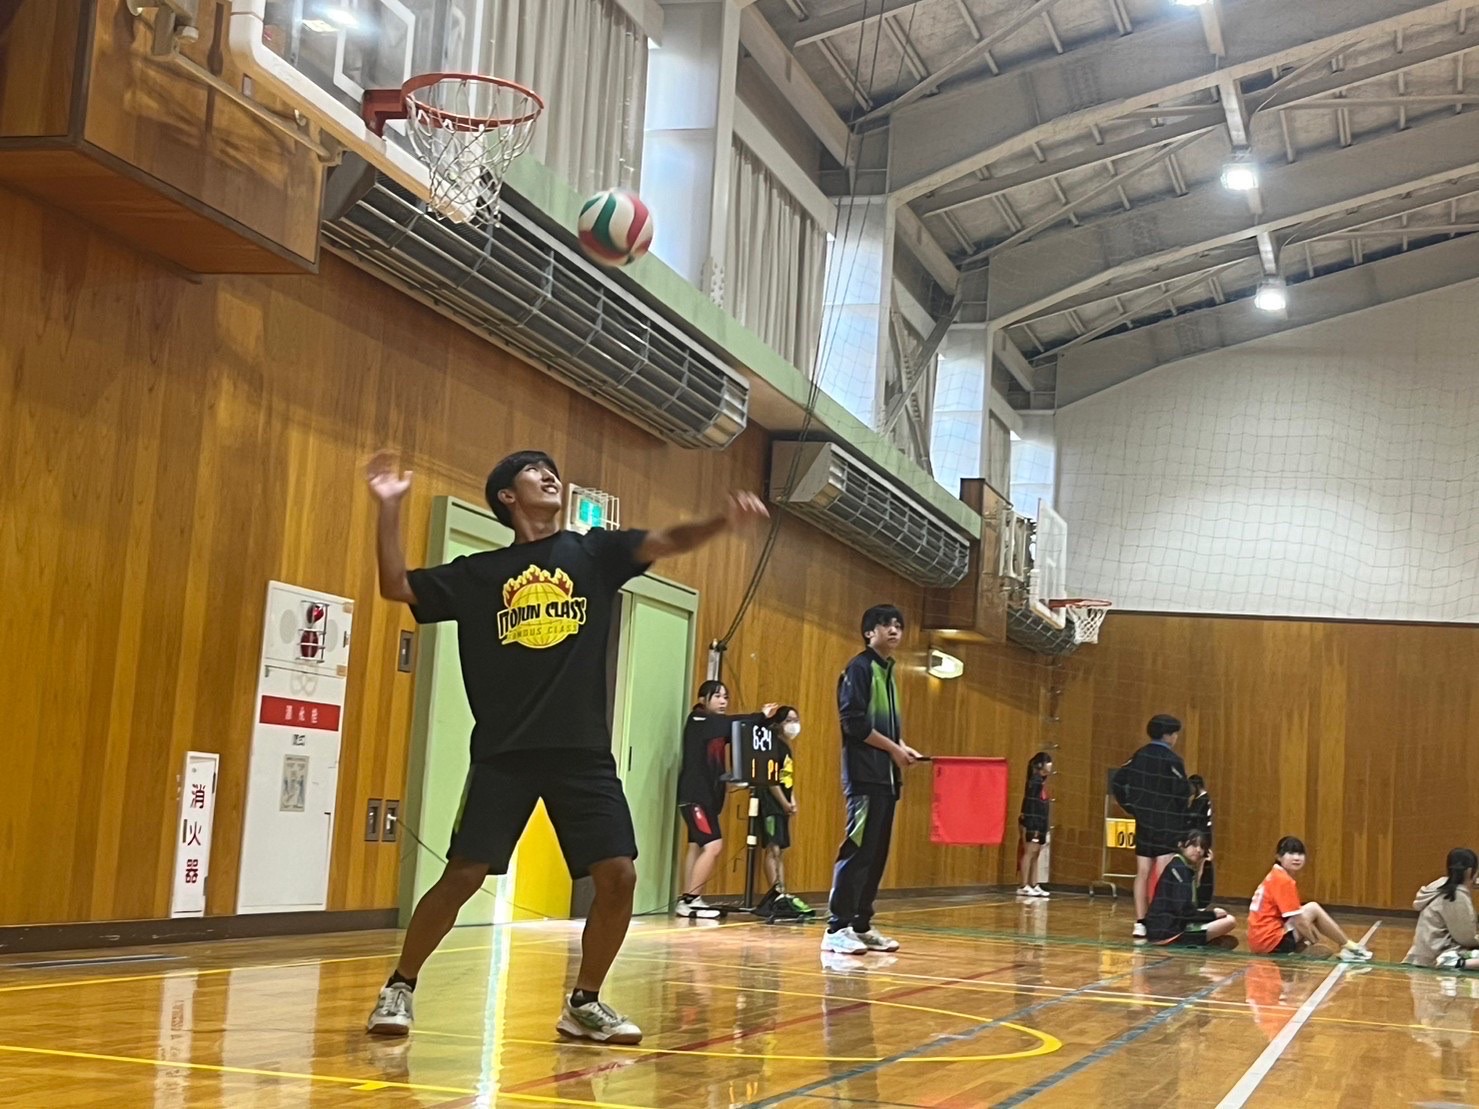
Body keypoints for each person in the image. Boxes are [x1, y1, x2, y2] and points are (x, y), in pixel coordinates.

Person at [363, 448, 768, 1043]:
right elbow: (396, 585)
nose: (550, 475)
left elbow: (666, 540)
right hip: (505, 752)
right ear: (507, 496)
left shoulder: (593, 553)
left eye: (551, 468)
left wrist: (718, 523)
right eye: (533, 470)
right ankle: (399, 985)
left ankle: (584, 1002)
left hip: (582, 753)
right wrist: (389, 508)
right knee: (464, 874)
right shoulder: (480, 574)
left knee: (619, 875)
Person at [823, 604, 923, 955]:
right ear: (869, 632)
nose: (894, 630)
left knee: (876, 855)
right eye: (885, 625)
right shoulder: (860, 668)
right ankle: (837, 928)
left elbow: (884, 726)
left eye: (898, 625)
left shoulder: (888, 671)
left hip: (886, 779)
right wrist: (893, 749)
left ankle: (860, 925)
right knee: (858, 851)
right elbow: (854, 723)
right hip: (864, 777)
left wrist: (901, 746)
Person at [674, 681, 775, 918]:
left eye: (726, 697)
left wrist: (766, 721)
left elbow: (737, 732)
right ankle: (691, 901)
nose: (723, 701)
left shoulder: (717, 728)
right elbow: (733, 723)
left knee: (696, 846)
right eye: (717, 696)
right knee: (713, 846)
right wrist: (760, 715)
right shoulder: (698, 720)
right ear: (703, 699)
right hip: (695, 798)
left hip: (708, 799)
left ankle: (687, 898)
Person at [1111, 714, 1190, 940]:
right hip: (1166, 823)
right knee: (1164, 872)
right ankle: (1161, 920)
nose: (1176, 738)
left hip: (1144, 821)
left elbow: (1118, 781)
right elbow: (1182, 792)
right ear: (1168, 735)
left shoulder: (1139, 755)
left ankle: (1140, 922)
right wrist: (1180, 819)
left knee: (1142, 872)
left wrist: (1131, 807)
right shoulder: (1172, 760)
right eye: (1175, 734)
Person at [1247, 836, 1373, 961]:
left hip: (1259, 942)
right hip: (1271, 943)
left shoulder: (1274, 875)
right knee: (1313, 909)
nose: (1297, 858)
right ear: (1279, 857)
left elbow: (1294, 917)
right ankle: (1351, 948)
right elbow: (1299, 922)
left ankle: (1300, 949)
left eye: (1300, 853)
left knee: (1304, 913)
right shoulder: (1283, 880)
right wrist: (1315, 942)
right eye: (1291, 853)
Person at [757, 706, 814, 919]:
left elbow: (786, 778)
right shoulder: (772, 746)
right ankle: (775, 893)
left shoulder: (786, 748)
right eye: (789, 720)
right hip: (771, 805)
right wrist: (783, 802)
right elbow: (771, 781)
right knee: (773, 849)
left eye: (796, 719)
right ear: (778, 723)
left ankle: (782, 892)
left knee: (780, 851)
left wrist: (792, 800)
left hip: (782, 805)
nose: (793, 724)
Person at [1144, 830, 1237, 947]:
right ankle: (1189, 943)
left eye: (1202, 847)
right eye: (1194, 845)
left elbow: (1203, 902)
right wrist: (1212, 915)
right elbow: (1184, 912)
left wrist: (1207, 865)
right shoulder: (1178, 868)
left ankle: (1199, 943)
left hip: (1172, 927)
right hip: (1165, 932)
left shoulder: (1186, 868)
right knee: (1229, 921)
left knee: (1228, 938)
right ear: (1181, 845)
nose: (1198, 850)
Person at [1404, 848, 1479, 970]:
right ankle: (1457, 963)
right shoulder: (1456, 895)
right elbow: (1466, 939)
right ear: (1470, 871)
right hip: (1441, 954)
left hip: (1423, 954)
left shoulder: (1438, 885)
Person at [1017, 752, 1053, 898]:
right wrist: (1032, 825)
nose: (1050, 765)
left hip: (1040, 823)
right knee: (1029, 852)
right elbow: (1030, 806)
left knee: (1036, 853)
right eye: (1047, 762)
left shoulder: (1041, 782)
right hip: (1032, 823)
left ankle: (1034, 884)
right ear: (1040, 765)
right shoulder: (1034, 782)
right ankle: (1023, 886)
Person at [1187, 774, 1214, 906]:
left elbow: (1193, 816)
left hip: (1202, 838)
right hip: (1201, 837)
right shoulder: (1199, 799)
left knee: (1201, 867)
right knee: (1197, 867)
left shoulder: (1202, 799)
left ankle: (1199, 895)